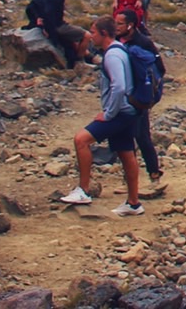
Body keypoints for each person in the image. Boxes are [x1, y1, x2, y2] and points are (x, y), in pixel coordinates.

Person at [60, 16, 144, 216]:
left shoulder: (112, 56)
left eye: (94, 32)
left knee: (81, 140)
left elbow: (119, 86)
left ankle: (84, 190)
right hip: (128, 111)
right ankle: (133, 203)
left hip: (119, 112)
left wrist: (109, 114)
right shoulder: (119, 50)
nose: (91, 36)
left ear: (104, 33)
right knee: (126, 153)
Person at [113, 7, 165, 194]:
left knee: (142, 137)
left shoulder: (143, 43)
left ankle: (154, 175)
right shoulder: (116, 41)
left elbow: (160, 69)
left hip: (138, 99)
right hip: (122, 96)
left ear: (130, 25)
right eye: (115, 23)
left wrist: (147, 94)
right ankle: (129, 180)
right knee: (124, 138)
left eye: (119, 23)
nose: (116, 27)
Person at [27, 0, 87, 69]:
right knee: (86, 36)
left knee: (72, 40)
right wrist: (46, 28)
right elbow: (49, 11)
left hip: (48, 25)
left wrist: (38, 19)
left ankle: (86, 56)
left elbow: (31, 7)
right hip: (56, 26)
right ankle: (80, 62)